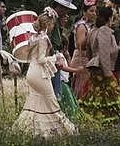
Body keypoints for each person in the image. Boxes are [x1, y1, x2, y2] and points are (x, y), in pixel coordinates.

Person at [14, 9, 76, 138]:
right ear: (49, 24)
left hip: (31, 73)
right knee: (51, 101)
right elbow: (41, 59)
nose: (53, 26)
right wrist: (56, 56)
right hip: (39, 74)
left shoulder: (32, 37)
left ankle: (29, 130)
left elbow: (32, 57)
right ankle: (66, 131)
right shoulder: (44, 38)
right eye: (53, 24)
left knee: (36, 102)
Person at [79, 4, 120, 123]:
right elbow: (104, 53)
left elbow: (89, 53)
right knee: (115, 95)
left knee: (99, 98)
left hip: (95, 68)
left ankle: (101, 121)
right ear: (109, 18)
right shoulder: (104, 31)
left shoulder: (93, 30)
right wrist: (119, 48)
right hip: (103, 70)